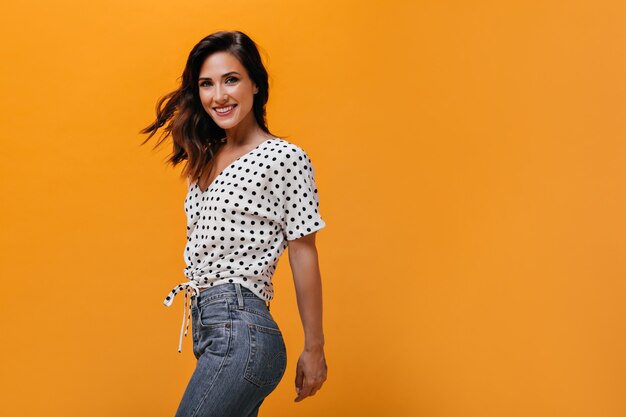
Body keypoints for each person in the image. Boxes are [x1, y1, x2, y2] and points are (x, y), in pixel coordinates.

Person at [140, 30, 328, 416]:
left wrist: (314, 348)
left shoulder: (283, 157)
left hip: (242, 330)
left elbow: (303, 251)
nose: (218, 96)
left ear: (255, 83)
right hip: (211, 328)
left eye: (231, 79)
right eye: (206, 84)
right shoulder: (204, 160)